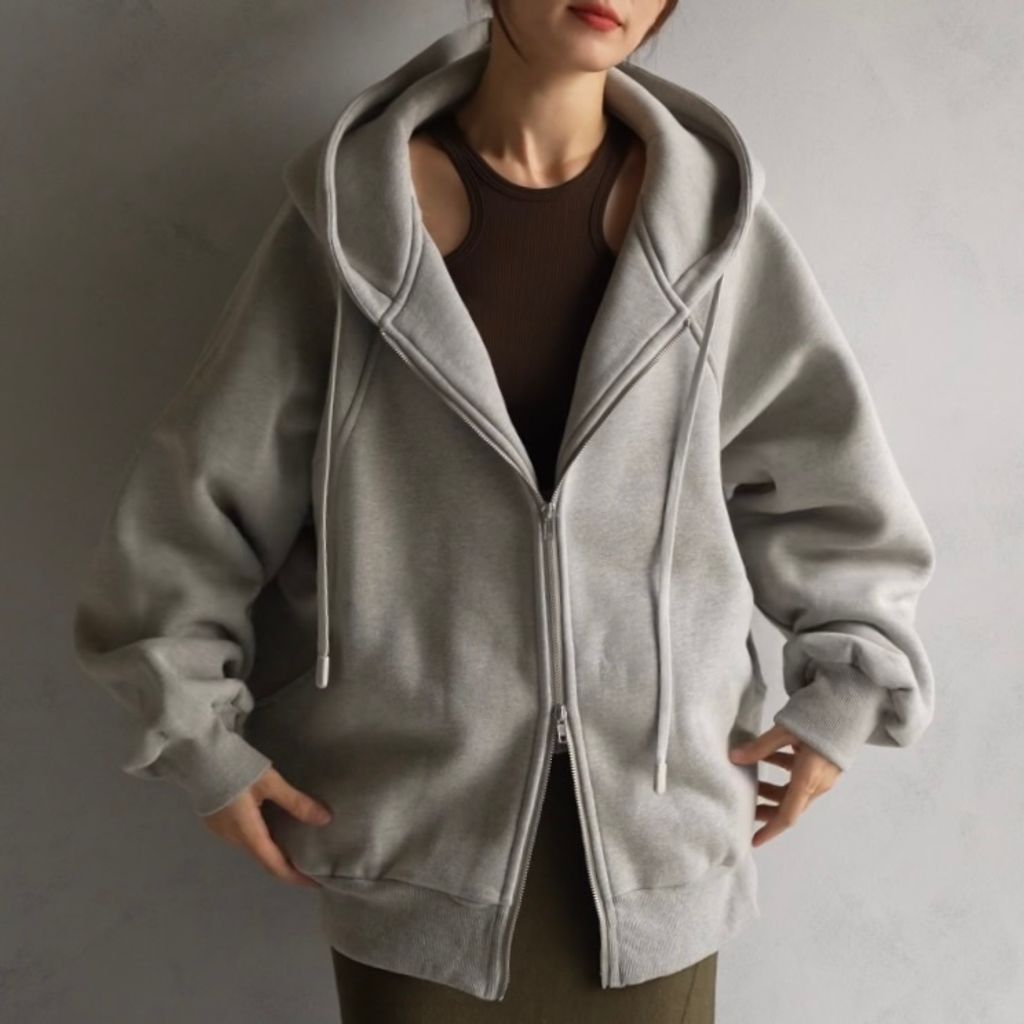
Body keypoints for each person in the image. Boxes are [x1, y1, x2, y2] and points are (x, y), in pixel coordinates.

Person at [71, 3, 938, 1021]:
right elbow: (196, 503)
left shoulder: (710, 231)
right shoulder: (353, 230)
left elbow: (832, 484)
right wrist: (198, 738)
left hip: (661, 844)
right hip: (411, 839)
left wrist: (845, 691)